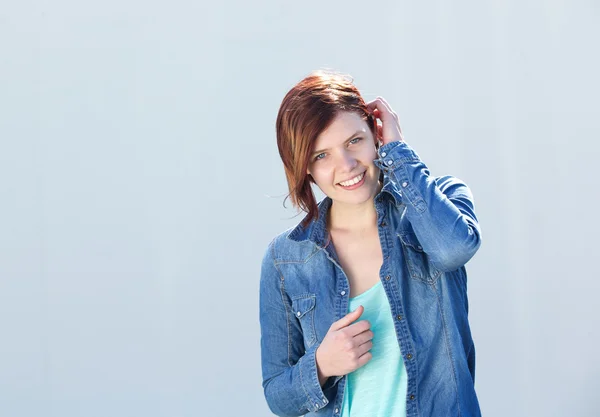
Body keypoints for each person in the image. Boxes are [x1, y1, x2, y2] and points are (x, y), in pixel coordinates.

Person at [259, 70, 483, 417]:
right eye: (322, 156)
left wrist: (397, 152)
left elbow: (454, 249)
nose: (346, 165)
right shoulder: (285, 259)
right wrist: (321, 364)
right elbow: (278, 394)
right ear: (305, 168)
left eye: (354, 141)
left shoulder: (439, 201)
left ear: (376, 134)